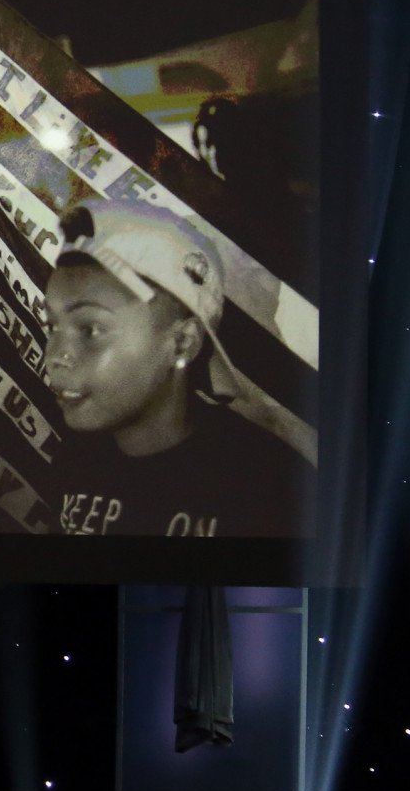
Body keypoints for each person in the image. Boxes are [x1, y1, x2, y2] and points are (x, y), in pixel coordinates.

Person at [43, 198, 302, 538]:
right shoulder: (77, 455)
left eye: (91, 329)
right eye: (52, 326)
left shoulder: (267, 484)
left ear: (182, 342)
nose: (55, 357)